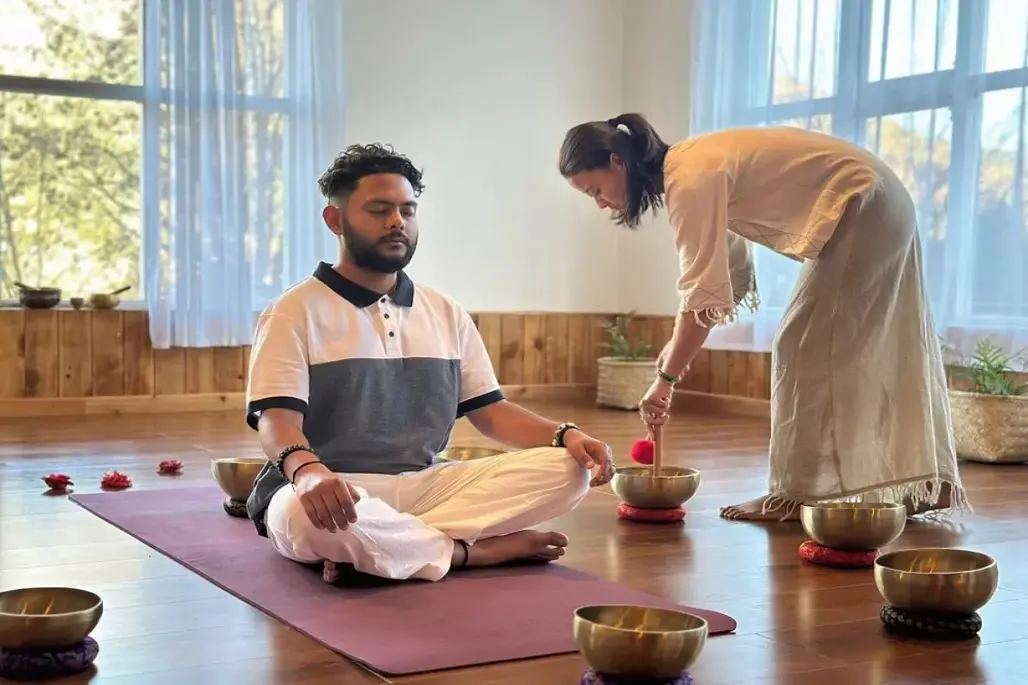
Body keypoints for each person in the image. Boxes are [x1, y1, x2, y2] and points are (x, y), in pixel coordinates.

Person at [558, 114, 968, 522]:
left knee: (801, 345)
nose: (600, 203)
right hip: (878, 198)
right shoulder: (691, 165)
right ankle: (926, 484)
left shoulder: (689, 177)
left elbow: (701, 297)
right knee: (863, 343)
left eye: (595, 190)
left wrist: (665, 381)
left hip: (865, 202)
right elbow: (725, 273)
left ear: (617, 162)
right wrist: (676, 348)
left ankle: (793, 495)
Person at [244, 143, 614, 581]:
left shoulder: (444, 311)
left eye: (407, 210)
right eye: (379, 210)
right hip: (330, 489)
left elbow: (492, 414)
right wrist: (308, 473)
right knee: (303, 520)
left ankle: (388, 549)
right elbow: (277, 422)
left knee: (569, 471)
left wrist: (566, 435)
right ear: (335, 220)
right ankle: (469, 553)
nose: (397, 221)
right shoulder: (292, 312)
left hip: (428, 484)